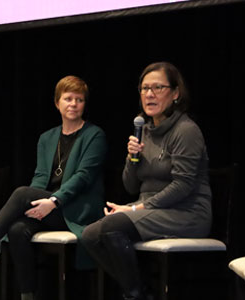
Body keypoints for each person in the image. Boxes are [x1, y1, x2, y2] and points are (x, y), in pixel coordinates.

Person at [0, 75, 107, 300]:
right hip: (51, 207)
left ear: (84, 104)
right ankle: (27, 295)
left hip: (78, 209)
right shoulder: (47, 138)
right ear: (57, 102)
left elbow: (83, 177)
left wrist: (52, 201)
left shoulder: (94, 135)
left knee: (21, 193)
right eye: (68, 99)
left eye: (79, 100)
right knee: (17, 229)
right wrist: (33, 205)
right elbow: (40, 177)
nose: (73, 104)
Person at [80, 62, 211, 300]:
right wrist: (133, 157)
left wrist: (135, 208)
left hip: (186, 212)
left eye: (158, 88)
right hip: (151, 210)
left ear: (175, 93)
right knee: (89, 234)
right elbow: (130, 186)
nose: (149, 94)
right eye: (144, 88)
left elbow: (183, 185)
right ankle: (140, 291)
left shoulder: (186, 130)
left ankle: (133, 294)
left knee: (112, 227)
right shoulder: (144, 130)